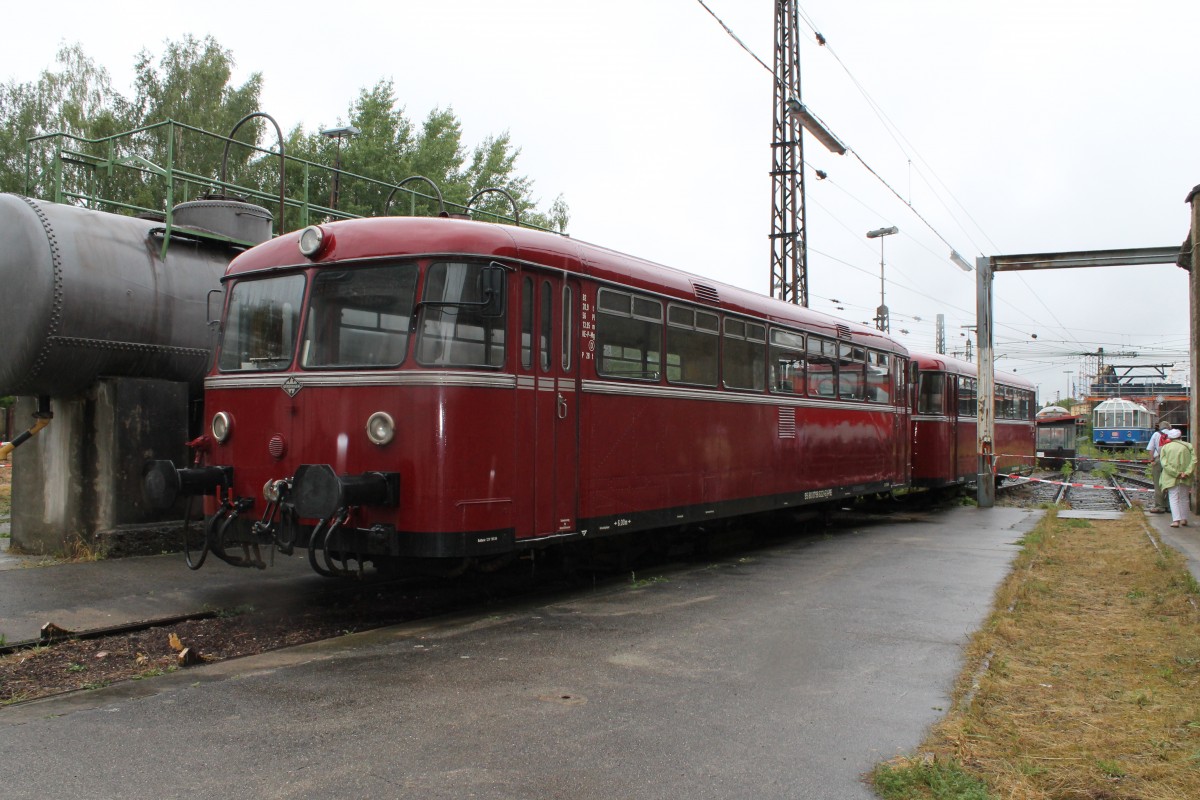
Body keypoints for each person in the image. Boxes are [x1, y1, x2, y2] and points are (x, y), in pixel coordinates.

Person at [1158, 429, 1194, 527]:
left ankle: (1176, 520)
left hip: (1170, 477)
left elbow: (1164, 464)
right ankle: (1184, 519)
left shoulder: (1165, 448)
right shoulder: (1188, 446)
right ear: (1180, 436)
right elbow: (1193, 461)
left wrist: (1176, 473)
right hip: (1186, 477)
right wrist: (1186, 472)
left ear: (1170, 438)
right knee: (1184, 497)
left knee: (1173, 497)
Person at [1147, 420, 1171, 512]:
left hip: (1159, 459)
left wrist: (1152, 460)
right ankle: (1169, 506)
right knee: (1170, 483)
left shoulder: (1156, 434)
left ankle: (1159, 506)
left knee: (1158, 483)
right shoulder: (1172, 434)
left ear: (1160, 427)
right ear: (1169, 427)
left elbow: (1151, 449)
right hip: (1170, 461)